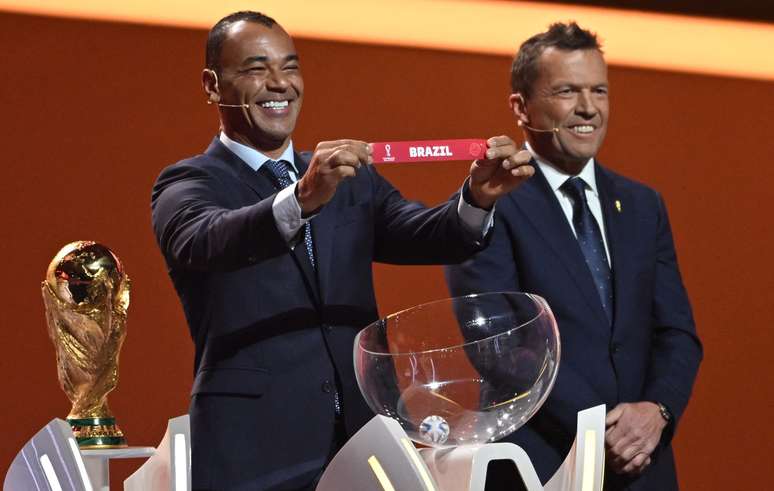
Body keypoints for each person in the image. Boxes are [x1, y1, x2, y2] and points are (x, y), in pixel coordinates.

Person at [151, 11, 533, 491]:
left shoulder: (348, 180)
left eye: (289, 67)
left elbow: (425, 233)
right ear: (213, 85)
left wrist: (477, 199)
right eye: (254, 69)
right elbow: (205, 239)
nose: (279, 84)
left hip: (363, 443)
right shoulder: (189, 182)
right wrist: (301, 200)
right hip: (253, 451)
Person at [445, 22, 702, 490]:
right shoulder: (487, 203)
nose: (588, 108)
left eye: (598, 91)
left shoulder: (643, 205)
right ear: (520, 107)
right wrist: (603, 429)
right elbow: (498, 348)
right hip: (543, 464)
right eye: (567, 91)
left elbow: (678, 333)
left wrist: (656, 412)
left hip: (643, 466)